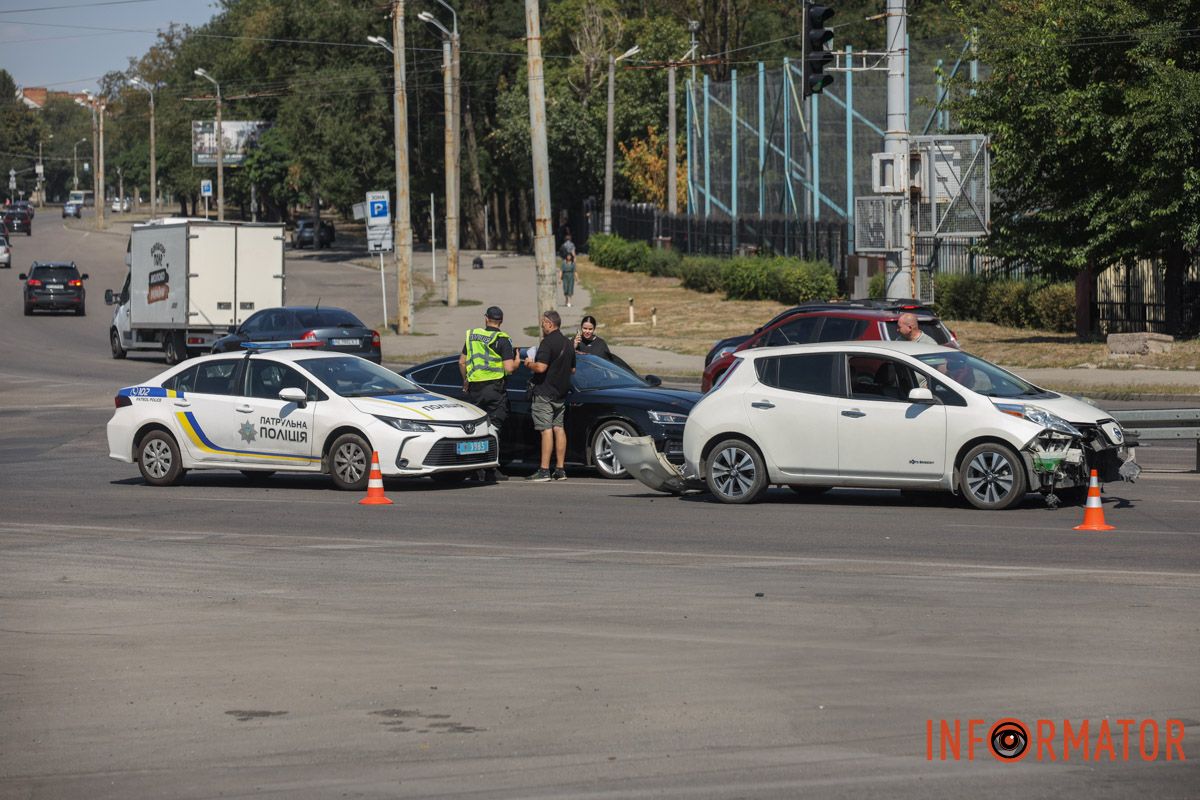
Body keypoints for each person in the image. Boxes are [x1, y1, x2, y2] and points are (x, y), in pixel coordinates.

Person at [459, 305, 517, 482]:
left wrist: (466, 380)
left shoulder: (472, 336)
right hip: (494, 390)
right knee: (494, 428)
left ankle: (474, 469)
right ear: (501, 321)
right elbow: (509, 369)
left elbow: (461, 362)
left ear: (486, 318)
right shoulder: (502, 339)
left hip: (475, 390)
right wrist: (517, 362)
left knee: (475, 429)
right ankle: (491, 470)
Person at [524, 309, 576, 482]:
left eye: (543, 323)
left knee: (546, 430)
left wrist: (529, 363)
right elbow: (573, 370)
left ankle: (544, 470)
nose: (541, 326)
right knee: (558, 428)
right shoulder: (568, 343)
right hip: (561, 394)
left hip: (544, 393)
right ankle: (560, 469)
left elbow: (541, 368)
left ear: (549, 323)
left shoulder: (547, 343)